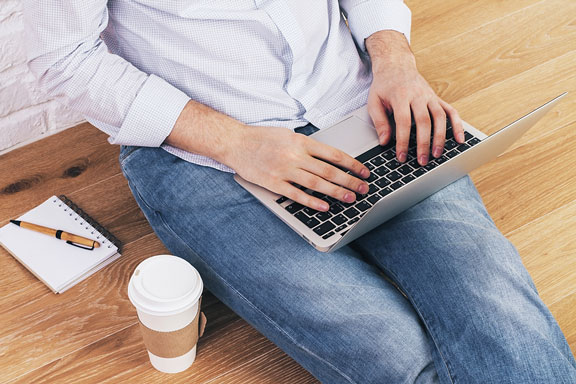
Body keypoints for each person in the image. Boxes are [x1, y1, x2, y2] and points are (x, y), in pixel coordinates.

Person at [23, 1, 576, 382]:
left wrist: (396, 61)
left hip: (354, 103)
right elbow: (62, 60)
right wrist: (237, 143)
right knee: (391, 353)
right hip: (202, 152)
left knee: (498, 311)